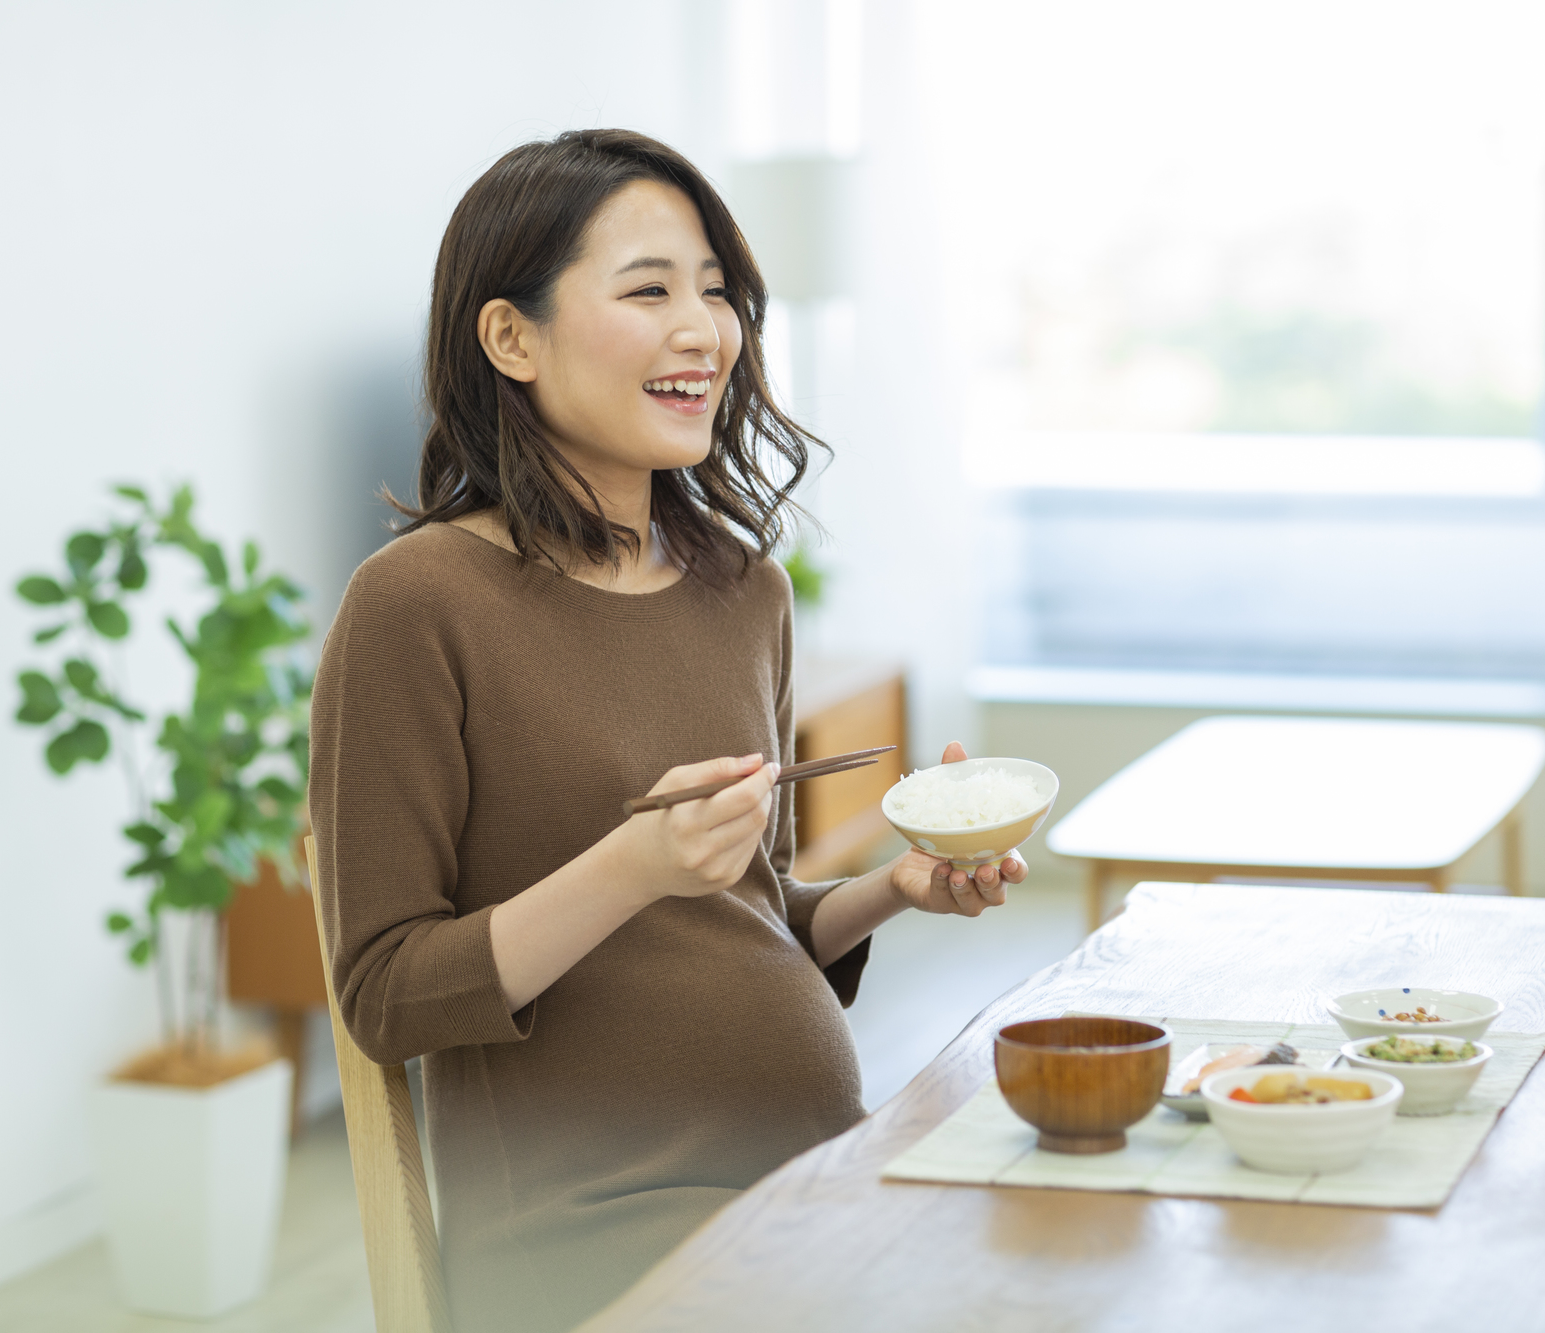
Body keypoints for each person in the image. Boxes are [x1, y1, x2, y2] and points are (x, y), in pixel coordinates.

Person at [308, 128, 1028, 1333]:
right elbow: (384, 992)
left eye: (716, 292)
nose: (705, 329)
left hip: (808, 1179)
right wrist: (628, 868)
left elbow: (742, 910)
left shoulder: (741, 589)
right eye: (648, 290)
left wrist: (892, 889)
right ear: (510, 338)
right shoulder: (415, 605)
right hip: (590, 1233)